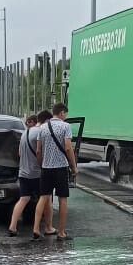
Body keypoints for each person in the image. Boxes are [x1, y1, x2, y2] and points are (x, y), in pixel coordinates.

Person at [35, 101, 77, 240]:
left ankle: (36, 229)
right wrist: (73, 166)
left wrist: (41, 164)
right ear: (62, 113)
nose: (65, 117)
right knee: (63, 200)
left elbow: (38, 150)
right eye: (65, 114)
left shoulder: (42, 128)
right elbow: (68, 148)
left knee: (43, 198)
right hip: (60, 168)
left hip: (46, 169)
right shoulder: (66, 126)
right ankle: (61, 232)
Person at [8, 111, 54, 237]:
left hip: (23, 172)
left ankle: (12, 226)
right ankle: (48, 227)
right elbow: (41, 151)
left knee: (23, 199)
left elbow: (19, 153)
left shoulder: (25, 133)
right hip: (38, 173)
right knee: (46, 199)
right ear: (46, 121)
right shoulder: (41, 132)